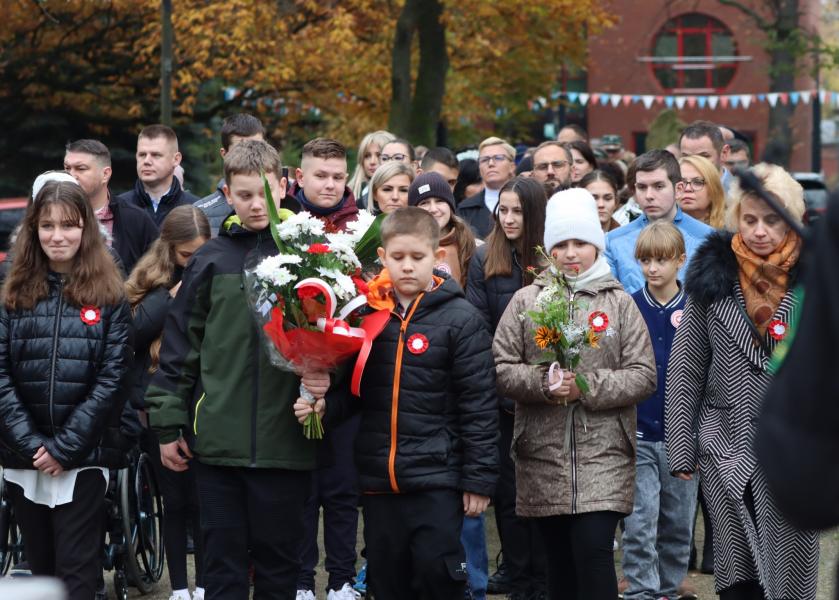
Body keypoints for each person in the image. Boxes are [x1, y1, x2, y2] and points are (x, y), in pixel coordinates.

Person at [145, 140, 321, 599]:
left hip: (285, 443)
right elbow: (180, 348)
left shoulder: (312, 256)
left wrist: (326, 388)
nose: (256, 204)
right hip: (218, 446)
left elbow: (339, 341)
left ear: (284, 186)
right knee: (221, 566)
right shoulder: (211, 259)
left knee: (279, 566)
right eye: (243, 195)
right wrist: (167, 425)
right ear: (227, 193)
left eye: (264, 192)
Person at [295, 207, 499, 600]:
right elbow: (358, 394)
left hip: (436, 481)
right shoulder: (369, 317)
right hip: (378, 482)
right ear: (383, 258)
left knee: (438, 577)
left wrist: (478, 480)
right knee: (387, 580)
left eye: (417, 257)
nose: (407, 267)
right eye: (398, 257)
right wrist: (324, 407)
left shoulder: (462, 320)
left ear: (437, 258)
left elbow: (478, 406)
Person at [493, 188, 656, 600]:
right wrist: (543, 384)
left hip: (604, 451)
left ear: (596, 244)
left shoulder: (619, 303)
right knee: (558, 558)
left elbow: (643, 375)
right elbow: (501, 368)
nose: (570, 253)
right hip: (543, 453)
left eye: (580, 243)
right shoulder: (526, 301)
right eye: (560, 244)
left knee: (593, 549)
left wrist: (585, 385)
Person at [665, 163, 818, 600]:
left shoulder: (818, 280)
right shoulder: (711, 277)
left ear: (792, 218)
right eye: (749, 219)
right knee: (737, 574)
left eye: (772, 219)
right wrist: (682, 445)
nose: (760, 231)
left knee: (790, 571)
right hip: (725, 442)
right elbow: (686, 367)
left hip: (793, 447)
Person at [0, 178, 132, 600]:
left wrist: (65, 447)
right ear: (34, 229)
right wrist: (32, 445)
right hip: (25, 458)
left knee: (77, 571)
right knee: (42, 572)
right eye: (48, 225)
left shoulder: (111, 294)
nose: (58, 236)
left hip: (85, 456)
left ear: (86, 229)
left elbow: (112, 379)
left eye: (69, 225)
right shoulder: (13, 292)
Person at [466, 176, 548, 600]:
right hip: (500, 398)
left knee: (543, 495)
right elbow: (478, 329)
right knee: (508, 497)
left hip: (546, 399)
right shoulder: (484, 259)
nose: (510, 218)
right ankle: (519, 578)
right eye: (504, 210)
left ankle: (545, 579)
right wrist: (503, 384)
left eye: (519, 211)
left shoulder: (552, 261)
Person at [125, 205, 211, 600]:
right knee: (174, 503)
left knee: (205, 505)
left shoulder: (213, 273)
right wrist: (171, 298)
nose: (194, 262)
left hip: (202, 404)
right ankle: (178, 587)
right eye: (186, 255)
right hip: (156, 405)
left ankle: (207, 582)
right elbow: (130, 334)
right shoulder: (151, 281)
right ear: (170, 250)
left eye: (200, 253)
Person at [621, 222, 698, 600]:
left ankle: (669, 589)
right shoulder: (629, 306)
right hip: (638, 434)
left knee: (678, 525)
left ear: (681, 261)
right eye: (645, 260)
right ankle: (640, 591)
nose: (653, 268)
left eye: (662, 260)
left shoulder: (698, 308)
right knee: (639, 523)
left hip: (684, 439)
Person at [605, 150, 714, 294]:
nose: (649, 196)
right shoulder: (614, 241)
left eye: (658, 186)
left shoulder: (708, 240)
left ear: (679, 189)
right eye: (642, 187)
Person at [64, 139, 158, 274]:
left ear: (105, 174)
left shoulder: (136, 220)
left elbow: (158, 272)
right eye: (67, 168)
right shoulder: (50, 217)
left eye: (81, 169)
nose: (71, 175)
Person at [194, 113, 266, 235]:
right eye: (240, 150)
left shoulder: (288, 206)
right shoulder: (200, 214)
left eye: (257, 148)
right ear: (224, 154)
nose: (251, 156)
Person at [117, 124, 199, 227]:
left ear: (176, 159)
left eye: (156, 155)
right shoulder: (118, 208)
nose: (146, 161)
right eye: (142, 155)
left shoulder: (196, 209)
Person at [410, 172, 476, 288]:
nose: (433, 209)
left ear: (450, 206)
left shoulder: (470, 245)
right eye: (424, 203)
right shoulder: (406, 248)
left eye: (439, 201)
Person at [287, 138, 359, 231]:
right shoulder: (278, 220)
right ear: (301, 178)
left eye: (337, 178)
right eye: (321, 176)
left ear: (345, 180)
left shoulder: (362, 228)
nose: (330, 185)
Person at [457, 137, 516, 239]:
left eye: (498, 158)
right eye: (484, 160)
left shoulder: (527, 202)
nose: (491, 164)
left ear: (512, 166)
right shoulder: (465, 209)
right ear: (479, 167)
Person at [348, 130, 396, 210]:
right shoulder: (350, 195)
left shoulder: (406, 193)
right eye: (367, 156)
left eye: (379, 155)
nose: (372, 162)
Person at [679, 120, 732, 192]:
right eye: (687, 157)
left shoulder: (743, 196)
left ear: (724, 153)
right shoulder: (673, 196)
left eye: (703, 157)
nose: (694, 164)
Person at [678, 155, 726, 228]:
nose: (687, 189)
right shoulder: (658, 228)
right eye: (681, 182)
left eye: (697, 182)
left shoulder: (733, 232)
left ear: (713, 189)